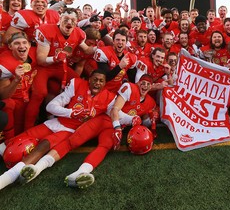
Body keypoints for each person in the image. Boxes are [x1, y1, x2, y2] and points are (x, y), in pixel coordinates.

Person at [19, 74, 157, 189]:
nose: (145, 86)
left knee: (105, 146)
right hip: (106, 120)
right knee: (73, 140)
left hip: (115, 127)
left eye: (148, 84)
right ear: (138, 83)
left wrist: (147, 119)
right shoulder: (129, 88)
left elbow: (144, 117)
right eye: (143, 83)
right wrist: (118, 126)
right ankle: (39, 167)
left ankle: (81, 173)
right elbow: (115, 110)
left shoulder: (150, 101)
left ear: (152, 87)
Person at [0, 69, 115, 190]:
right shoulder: (77, 84)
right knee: (15, 141)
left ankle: (6, 179)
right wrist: (71, 112)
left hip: (69, 131)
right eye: (95, 79)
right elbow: (50, 106)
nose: (97, 83)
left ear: (105, 83)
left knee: (43, 146)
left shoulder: (109, 98)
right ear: (89, 80)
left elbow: (116, 114)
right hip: (56, 122)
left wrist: (123, 124)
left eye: (101, 81)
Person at [24, 8, 97, 129]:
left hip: (61, 67)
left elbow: (87, 49)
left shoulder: (79, 33)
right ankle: (27, 129)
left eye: (73, 20)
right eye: (66, 19)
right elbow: (41, 59)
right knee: (39, 93)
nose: (69, 22)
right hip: (44, 67)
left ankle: (75, 119)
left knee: (81, 85)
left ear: (77, 21)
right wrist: (55, 58)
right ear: (60, 19)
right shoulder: (47, 30)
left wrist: (97, 48)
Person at [0, 32, 37, 138]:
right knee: (8, 104)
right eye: (17, 43)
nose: (21, 46)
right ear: (10, 46)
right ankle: (8, 140)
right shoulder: (4, 64)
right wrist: (16, 80)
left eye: (24, 42)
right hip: (14, 101)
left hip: (28, 99)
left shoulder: (35, 53)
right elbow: (4, 96)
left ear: (29, 45)